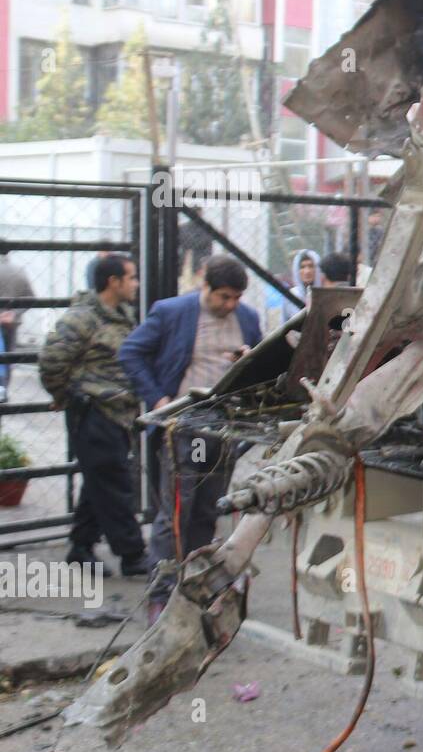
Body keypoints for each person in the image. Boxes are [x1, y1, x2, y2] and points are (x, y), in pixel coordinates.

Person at [118, 255, 262, 616]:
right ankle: (162, 593)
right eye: (224, 297)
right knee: (179, 507)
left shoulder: (246, 319)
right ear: (206, 288)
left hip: (225, 427)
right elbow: (131, 352)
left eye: (236, 298)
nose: (230, 305)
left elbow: (262, 365)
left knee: (207, 507)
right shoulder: (173, 312)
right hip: (189, 428)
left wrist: (248, 360)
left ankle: (195, 586)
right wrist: (159, 398)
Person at [38, 254, 147, 575]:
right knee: (115, 482)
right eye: (131, 277)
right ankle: (132, 554)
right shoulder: (82, 318)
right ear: (113, 282)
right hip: (94, 411)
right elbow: (51, 361)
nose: (136, 284)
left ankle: (81, 547)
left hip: (119, 413)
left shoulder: (121, 314)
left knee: (99, 481)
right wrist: (64, 395)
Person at [0, 242, 35, 405]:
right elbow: (30, 297)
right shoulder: (19, 271)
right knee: (7, 357)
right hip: (11, 322)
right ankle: (3, 390)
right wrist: (14, 313)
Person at [268, 247, 320, 327]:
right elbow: (283, 325)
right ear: (297, 270)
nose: (307, 271)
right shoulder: (291, 295)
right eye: (302, 267)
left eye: (311, 266)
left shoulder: (324, 294)